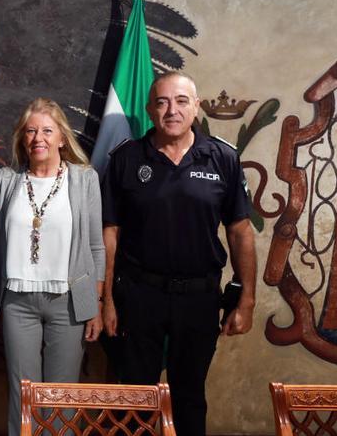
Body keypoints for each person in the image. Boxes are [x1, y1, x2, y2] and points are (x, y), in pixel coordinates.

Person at [101, 71, 256, 436]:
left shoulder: (222, 158)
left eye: (181, 101)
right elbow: (110, 233)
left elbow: (239, 232)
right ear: (150, 110)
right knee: (135, 399)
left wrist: (246, 299)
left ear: (196, 106)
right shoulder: (126, 159)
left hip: (199, 298)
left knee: (189, 397)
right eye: (163, 102)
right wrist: (106, 298)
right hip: (139, 296)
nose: (172, 110)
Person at [0, 98, 105, 436]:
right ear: (22, 138)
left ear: (62, 138)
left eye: (47, 130)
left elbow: (96, 246)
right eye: (31, 131)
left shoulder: (84, 179)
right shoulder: (6, 179)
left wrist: (94, 304)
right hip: (16, 302)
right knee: (23, 395)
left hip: (67, 302)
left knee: (60, 396)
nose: (38, 137)